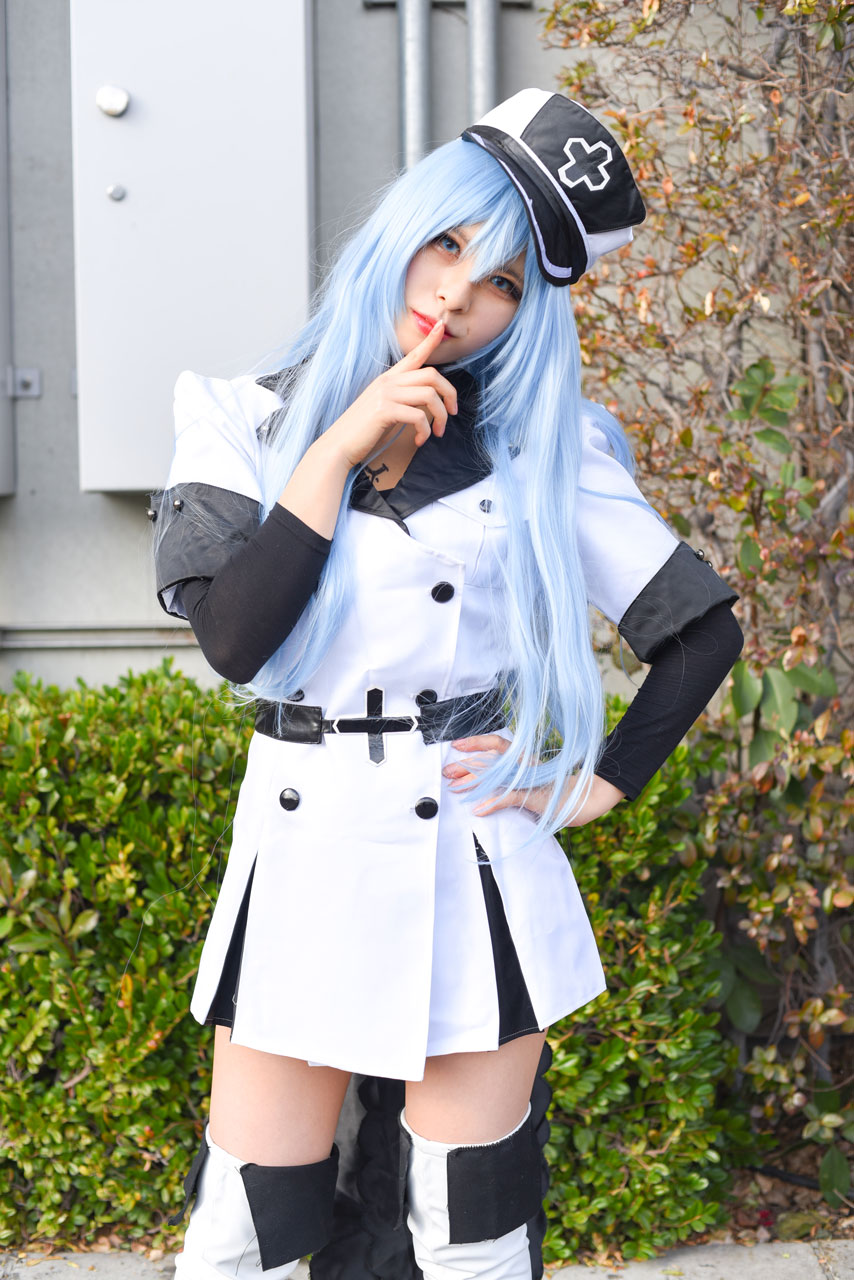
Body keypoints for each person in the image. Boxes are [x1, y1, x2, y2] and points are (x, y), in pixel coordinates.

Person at [150, 88, 743, 1280]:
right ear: (402, 229)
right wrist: (337, 447)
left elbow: (698, 631)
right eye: (448, 243)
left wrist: (595, 782)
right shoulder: (243, 419)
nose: (458, 292)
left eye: (504, 281)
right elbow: (235, 640)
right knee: (241, 1234)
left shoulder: (542, 446)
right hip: (304, 847)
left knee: (472, 1231)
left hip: (468, 857)